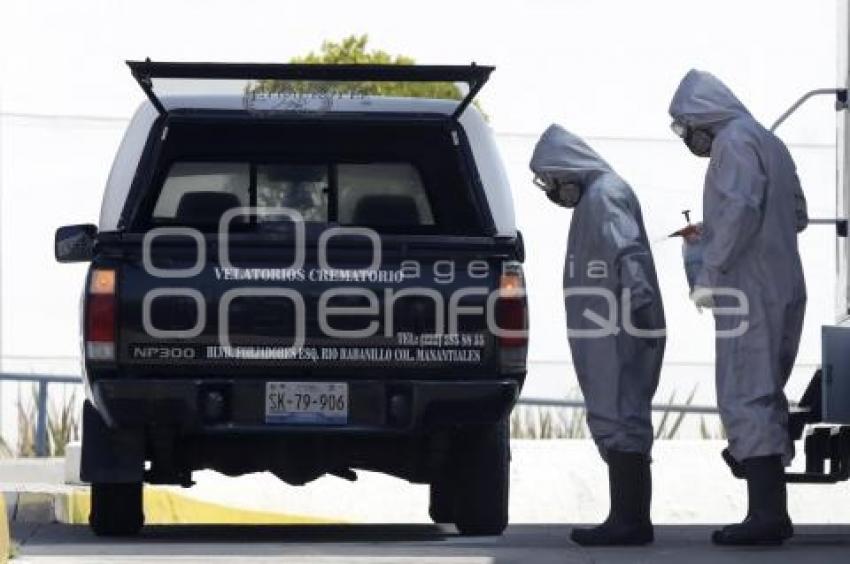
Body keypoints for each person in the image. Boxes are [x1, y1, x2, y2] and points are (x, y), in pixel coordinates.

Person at [669, 69, 808, 546]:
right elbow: (798, 214)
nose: (689, 138)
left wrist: (710, 270)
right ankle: (769, 508)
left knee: (746, 395)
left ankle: (766, 515)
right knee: (765, 393)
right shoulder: (771, 142)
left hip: (748, 290)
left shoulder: (731, 142)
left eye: (686, 128)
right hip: (785, 283)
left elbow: (742, 210)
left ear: (703, 115)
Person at [529, 125, 666, 546]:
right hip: (610, 329)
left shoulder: (604, 195)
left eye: (552, 181)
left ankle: (629, 521)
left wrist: (638, 307)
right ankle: (626, 517)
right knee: (617, 415)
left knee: (621, 417)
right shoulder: (598, 197)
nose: (552, 192)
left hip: (618, 329)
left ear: (565, 169)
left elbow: (627, 253)